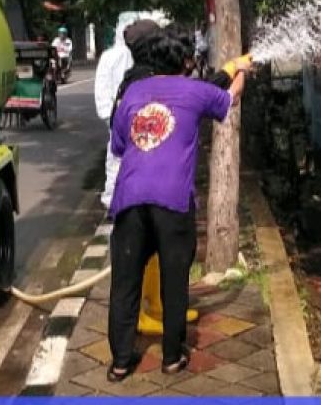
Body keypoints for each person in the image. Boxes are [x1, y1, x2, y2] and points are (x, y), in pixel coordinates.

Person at [105, 27, 251, 381]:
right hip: (172, 200)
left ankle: (121, 363)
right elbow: (231, 96)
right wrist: (243, 67)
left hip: (130, 199)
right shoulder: (196, 90)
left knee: (125, 283)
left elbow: (119, 146)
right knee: (174, 280)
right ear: (186, 62)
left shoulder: (134, 90)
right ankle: (172, 358)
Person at [94, 15, 160, 210]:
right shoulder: (148, 58)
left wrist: (110, 118)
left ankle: (115, 202)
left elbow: (101, 90)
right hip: (141, 119)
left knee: (117, 162)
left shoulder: (110, 57)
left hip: (119, 119)